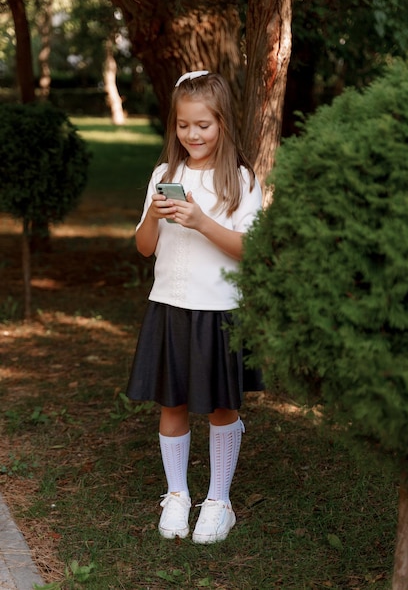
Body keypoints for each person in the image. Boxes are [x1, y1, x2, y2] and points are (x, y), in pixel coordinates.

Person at [127, 70, 263, 544]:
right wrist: (152, 214)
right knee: (174, 401)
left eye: (203, 125)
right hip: (170, 305)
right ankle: (178, 494)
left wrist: (202, 222)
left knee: (221, 406)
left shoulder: (241, 179)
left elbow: (252, 250)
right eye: (184, 125)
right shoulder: (164, 176)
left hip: (220, 309)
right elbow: (145, 248)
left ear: (223, 122)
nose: (193, 135)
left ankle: (219, 501)